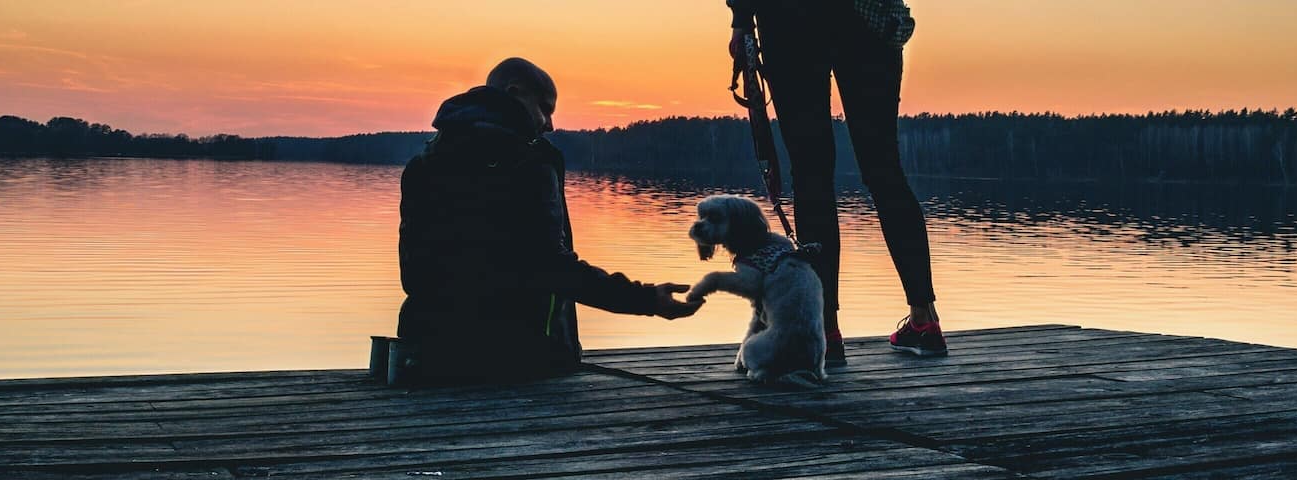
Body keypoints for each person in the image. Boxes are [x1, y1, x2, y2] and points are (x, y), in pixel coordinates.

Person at [396, 57, 705, 384]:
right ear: (514, 93)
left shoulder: (425, 162)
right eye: (545, 108)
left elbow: (414, 274)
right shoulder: (527, 165)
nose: (550, 124)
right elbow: (552, 267)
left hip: (429, 355)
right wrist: (646, 299)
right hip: (513, 362)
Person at [725, 0, 945, 365]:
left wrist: (742, 20)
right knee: (884, 170)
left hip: (790, 20)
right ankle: (924, 319)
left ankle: (824, 332)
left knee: (812, 175)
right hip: (869, 17)